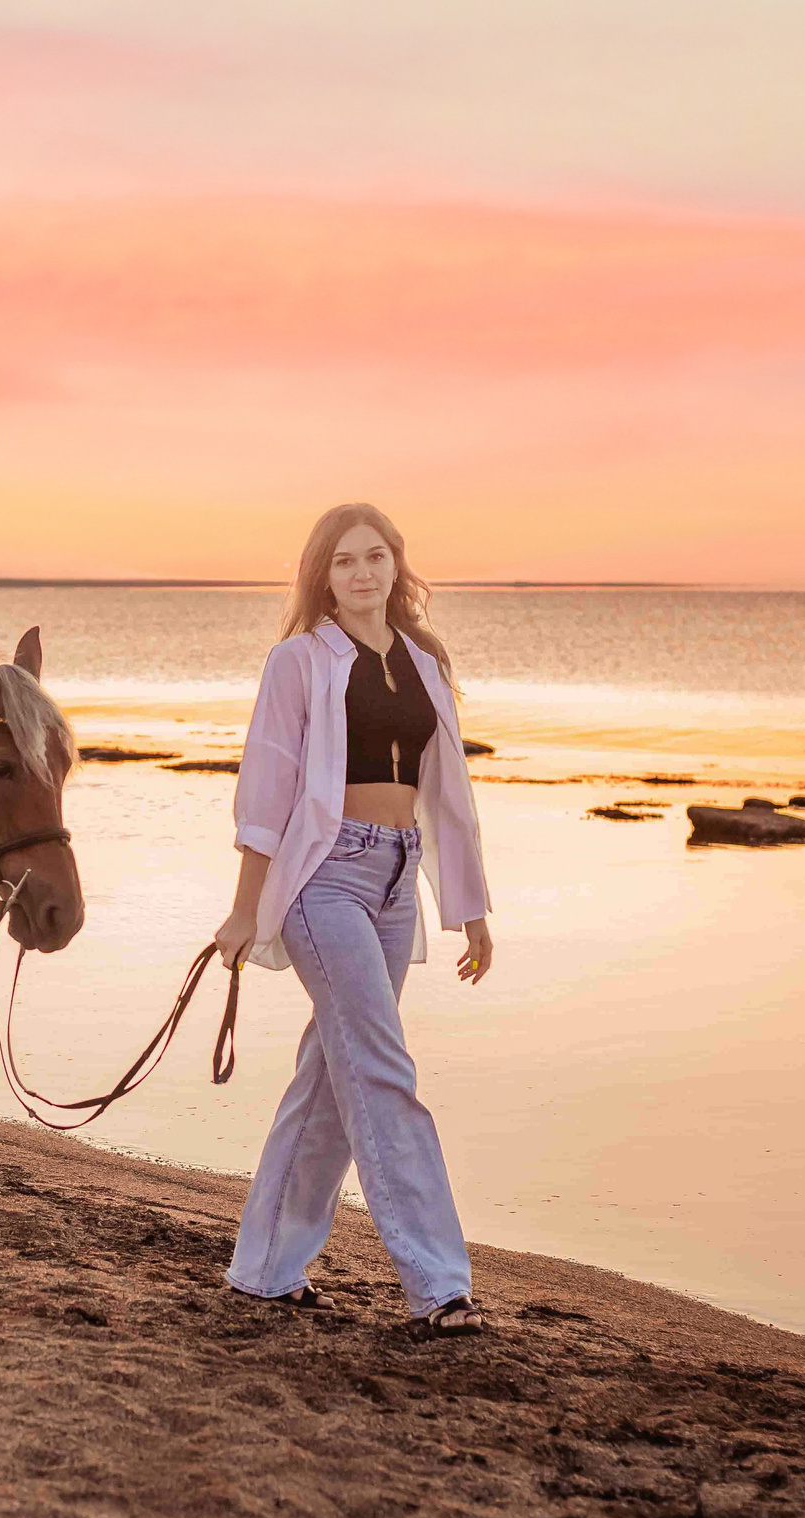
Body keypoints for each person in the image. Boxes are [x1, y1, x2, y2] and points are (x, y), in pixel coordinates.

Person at [211, 502, 495, 1337]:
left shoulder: (425, 661)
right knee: (380, 1068)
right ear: (322, 576)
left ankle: (265, 1268)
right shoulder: (299, 661)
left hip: (398, 879)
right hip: (324, 880)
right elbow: (266, 788)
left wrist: (470, 908)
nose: (362, 572)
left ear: (396, 564)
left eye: (375, 556)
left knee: (332, 1080)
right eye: (344, 561)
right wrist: (244, 909)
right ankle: (438, 1285)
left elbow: (450, 794)